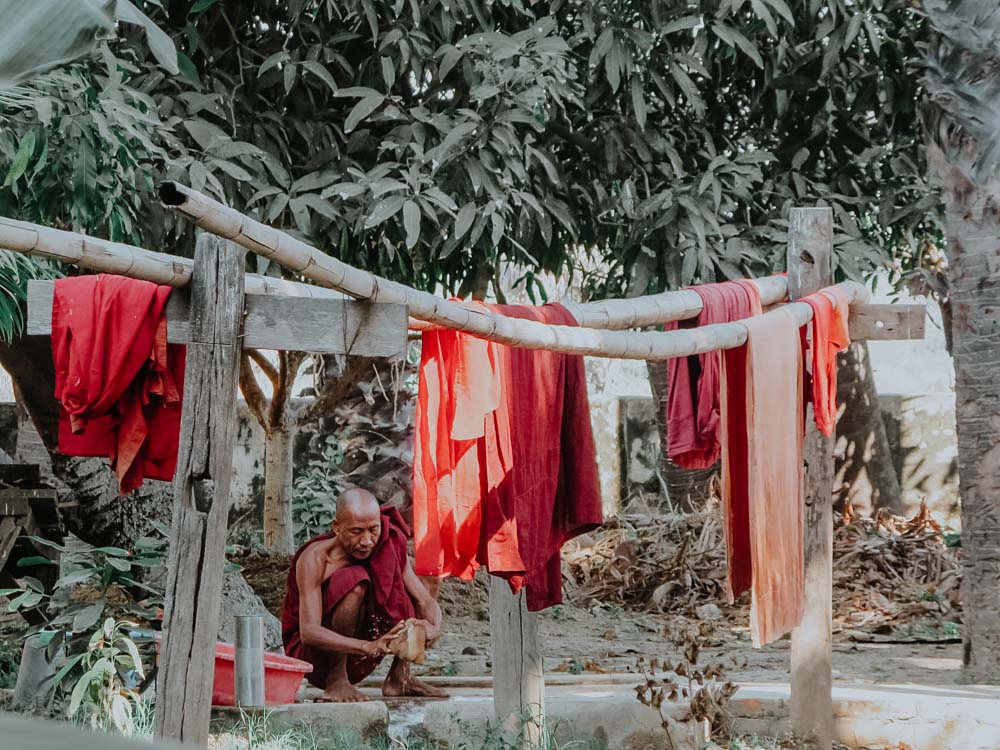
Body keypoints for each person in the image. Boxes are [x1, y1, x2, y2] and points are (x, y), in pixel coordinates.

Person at [281, 488, 447, 703]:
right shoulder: (315, 560)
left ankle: (400, 677)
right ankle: (337, 680)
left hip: (366, 648)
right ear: (336, 527)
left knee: (401, 584)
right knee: (354, 581)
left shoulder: (386, 541)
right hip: (315, 658)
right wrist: (366, 646)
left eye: (373, 529)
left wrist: (434, 628)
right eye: (357, 531)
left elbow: (422, 599)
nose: (367, 541)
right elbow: (309, 632)